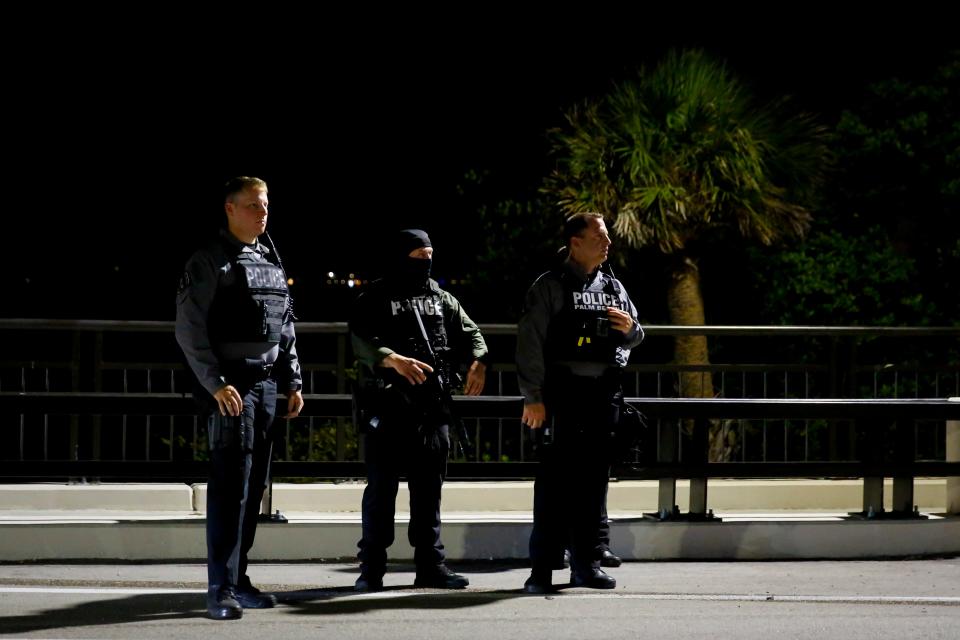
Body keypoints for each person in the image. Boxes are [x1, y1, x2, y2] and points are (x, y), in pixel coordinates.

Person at [176, 176, 304, 620]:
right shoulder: (210, 260)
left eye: (265, 204)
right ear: (229, 209)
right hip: (231, 387)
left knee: (254, 489)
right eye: (252, 205)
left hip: (266, 387)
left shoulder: (268, 258)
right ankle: (220, 589)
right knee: (231, 489)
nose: (262, 212)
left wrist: (293, 381)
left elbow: (283, 324)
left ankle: (239, 578)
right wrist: (214, 384)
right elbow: (190, 329)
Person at [350, 229, 488, 591]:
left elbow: (472, 333)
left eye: (429, 255)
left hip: (431, 409)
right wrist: (392, 359)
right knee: (381, 493)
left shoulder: (441, 298)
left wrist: (478, 361)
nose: (424, 262)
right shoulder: (376, 296)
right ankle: (372, 570)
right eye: (417, 256)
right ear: (400, 257)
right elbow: (360, 339)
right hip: (388, 406)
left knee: (429, 492)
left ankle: (431, 565)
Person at [517, 212, 643, 593]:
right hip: (561, 396)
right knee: (554, 485)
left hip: (601, 396)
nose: (607, 243)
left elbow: (635, 333)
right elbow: (530, 344)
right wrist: (534, 397)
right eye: (599, 237)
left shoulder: (612, 285)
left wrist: (630, 334)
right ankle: (541, 570)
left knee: (592, 484)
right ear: (575, 242)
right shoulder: (550, 285)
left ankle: (586, 566)